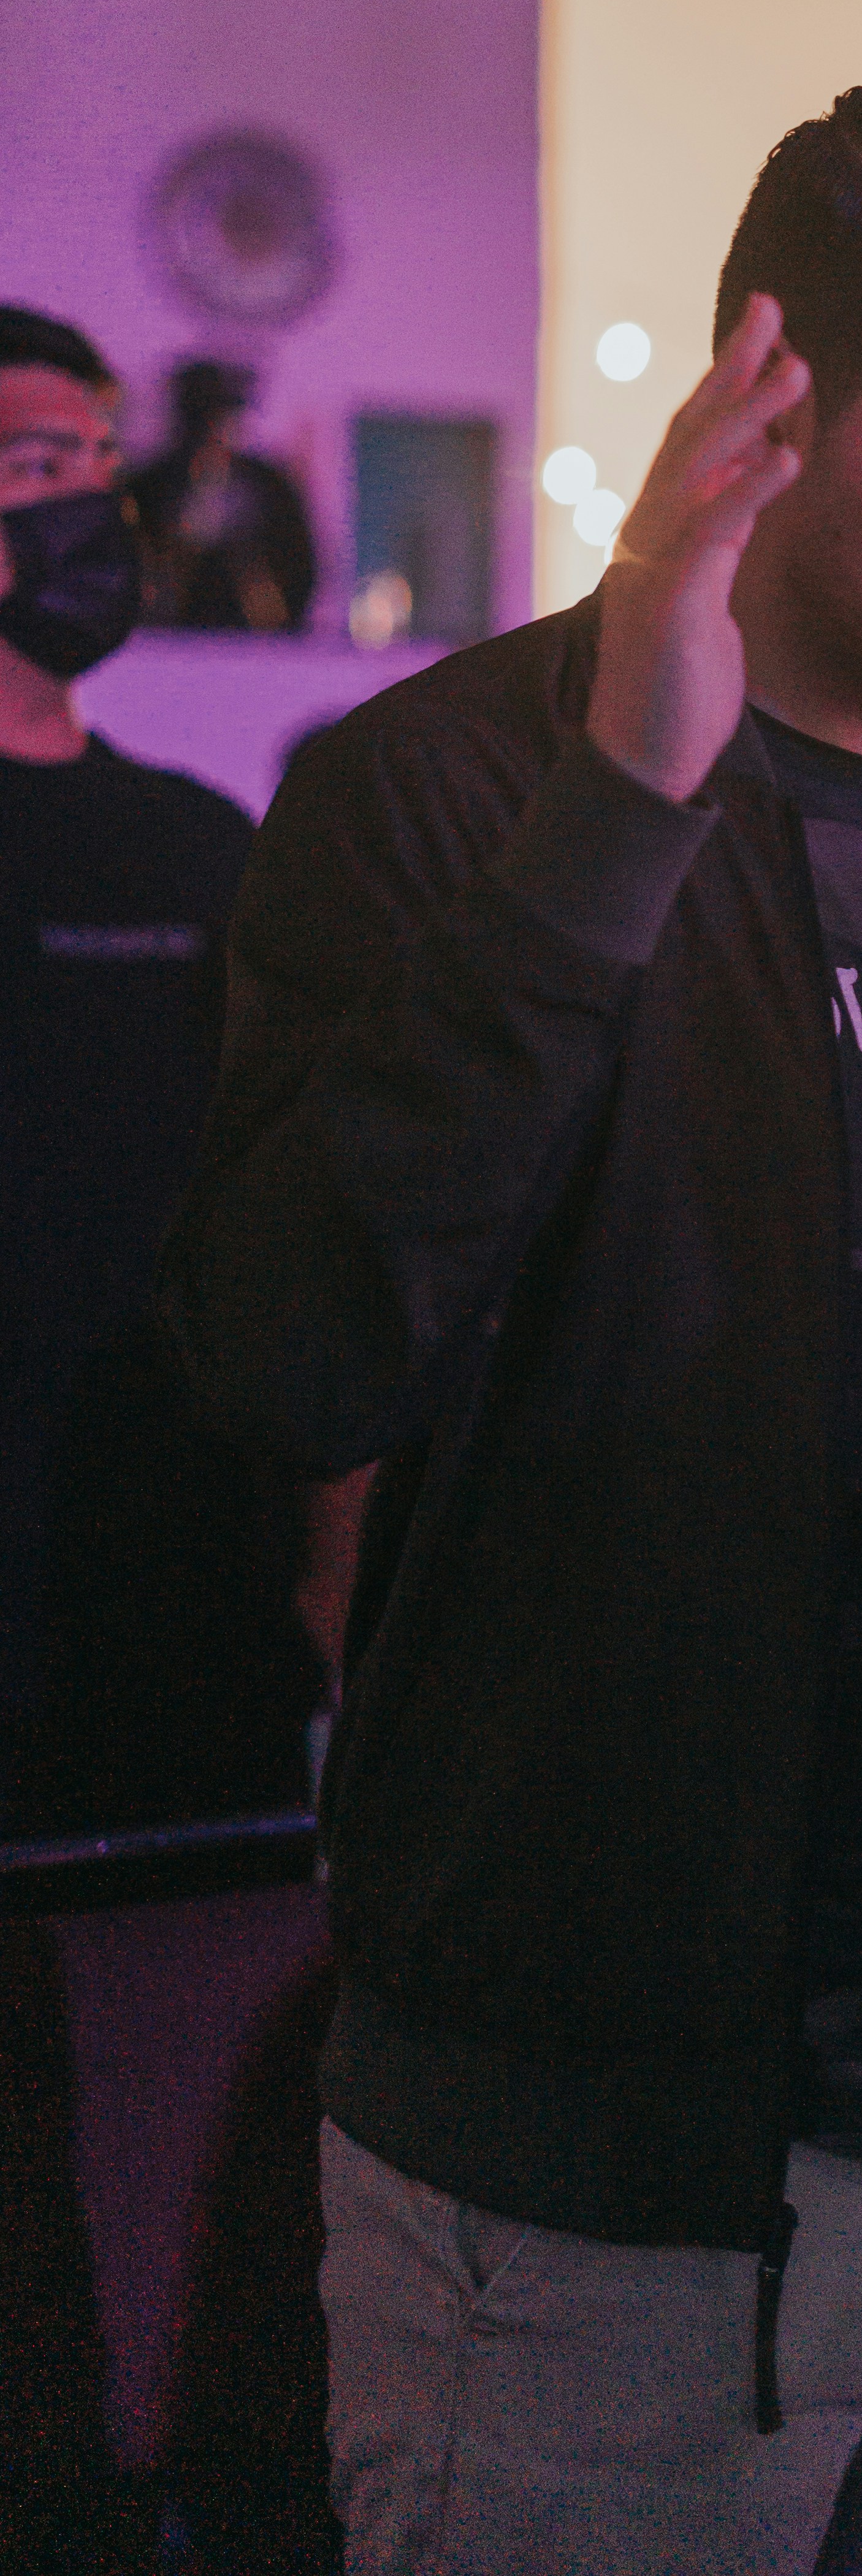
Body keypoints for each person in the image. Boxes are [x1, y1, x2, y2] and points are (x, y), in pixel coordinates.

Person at [161, 72, 862, 2576]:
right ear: (761, 403)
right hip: (607, 2177)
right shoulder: (446, 791)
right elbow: (299, 1356)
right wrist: (623, 806)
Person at [0, 303, 311, 1838]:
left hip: (184, 1593)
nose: (98, 511)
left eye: (105, 465)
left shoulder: (198, 844)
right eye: (45, 463)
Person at [129, 356, 319, 633]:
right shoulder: (147, 485)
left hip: (256, 650)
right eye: (203, 419)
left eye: (224, 417)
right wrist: (181, 539)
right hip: (163, 649)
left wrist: (244, 548)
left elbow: (300, 577)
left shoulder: (270, 486)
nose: (214, 432)